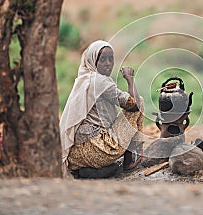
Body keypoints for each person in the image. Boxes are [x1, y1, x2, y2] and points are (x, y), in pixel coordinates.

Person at [60, 40, 144, 177]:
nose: (108, 63)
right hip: (99, 150)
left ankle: (92, 170)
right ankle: (130, 158)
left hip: (76, 156)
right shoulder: (101, 82)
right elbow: (133, 105)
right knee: (139, 101)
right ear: (94, 61)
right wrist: (130, 79)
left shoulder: (84, 78)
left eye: (111, 59)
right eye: (103, 59)